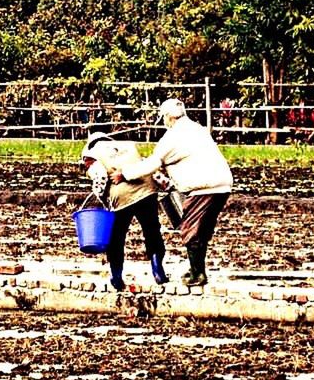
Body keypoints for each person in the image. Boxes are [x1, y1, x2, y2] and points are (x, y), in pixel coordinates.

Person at [111, 99, 232, 286]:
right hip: (223, 184)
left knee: (190, 229)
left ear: (168, 117)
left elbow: (152, 163)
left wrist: (124, 174)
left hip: (204, 187)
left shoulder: (172, 137)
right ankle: (197, 269)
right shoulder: (197, 129)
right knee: (202, 230)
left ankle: (197, 274)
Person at [80, 132, 168, 291]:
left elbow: (100, 178)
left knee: (116, 237)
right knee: (152, 230)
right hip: (147, 192)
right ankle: (157, 269)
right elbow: (151, 170)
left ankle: (116, 276)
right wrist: (166, 185)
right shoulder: (128, 146)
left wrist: (102, 197)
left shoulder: (92, 154)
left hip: (121, 198)